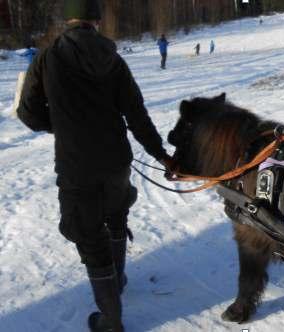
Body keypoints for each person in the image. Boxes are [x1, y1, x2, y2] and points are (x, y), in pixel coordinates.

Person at [16, 0, 173, 331]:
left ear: (68, 20)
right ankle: (116, 283)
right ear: (95, 21)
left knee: (88, 234)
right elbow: (137, 115)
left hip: (77, 166)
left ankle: (111, 320)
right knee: (115, 217)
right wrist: (161, 155)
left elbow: (27, 111)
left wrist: (61, 124)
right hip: (116, 160)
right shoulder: (113, 59)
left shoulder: (48, 56)